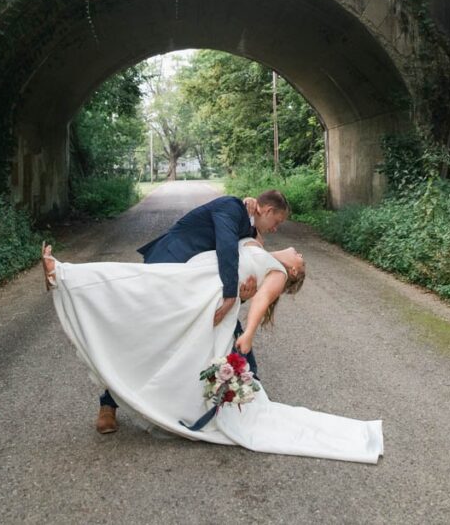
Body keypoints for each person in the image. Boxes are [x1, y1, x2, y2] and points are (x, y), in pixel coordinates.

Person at [41, 240, 384, 464]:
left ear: (293, 271)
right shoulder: (259, 244)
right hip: (197, 276)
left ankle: (65, 275)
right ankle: (66, 277)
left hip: (205, 293)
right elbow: (241, 246)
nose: (298, 251)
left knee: (141, 290)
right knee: (142, 292)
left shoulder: (277, 272)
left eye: (301, 260)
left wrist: (247, 334)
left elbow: (260, 300)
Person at [95, 190, 290, 434]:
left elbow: (250, 253)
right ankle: (108, 404)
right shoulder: (231, 207)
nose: (275, 229)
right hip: (168, 267)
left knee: (226, 331)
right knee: (149, 338)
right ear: (268, 211)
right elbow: (226, 248)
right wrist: (231, 295)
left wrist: (243, 293)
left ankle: (250, 397)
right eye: (277, 222)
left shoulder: (247, 224)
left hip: (195, 285)